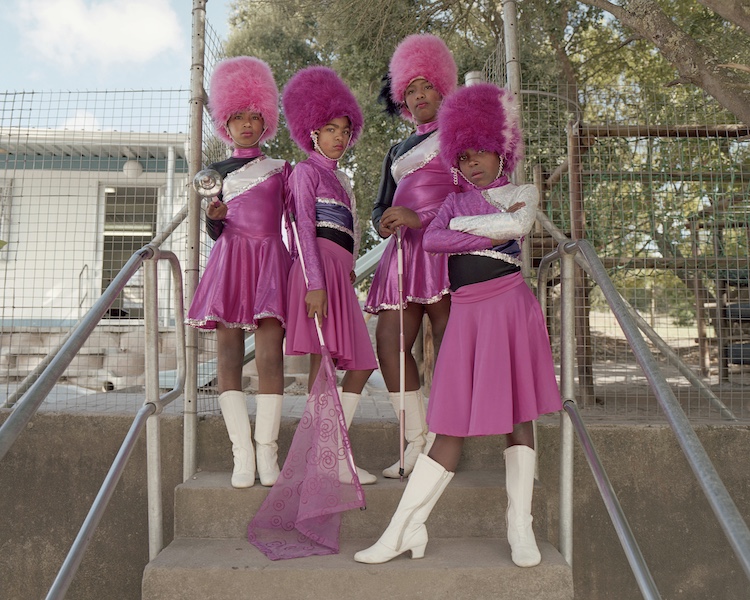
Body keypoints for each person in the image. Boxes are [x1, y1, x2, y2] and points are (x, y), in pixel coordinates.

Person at [354, 83, 562, 567]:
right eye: (463, 157)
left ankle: (520, 527)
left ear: (501, 151)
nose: (472, 165)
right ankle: (403, 530)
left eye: (481, 154)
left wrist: (464, 227)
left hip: (509, 307)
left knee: (517, 418)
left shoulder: (522, 191)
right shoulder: (451, 202)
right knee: (448, 425)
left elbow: (517, 226)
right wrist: (477, 223)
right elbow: (433, 243)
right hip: (466, 314)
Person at [186, 57, 292, 489]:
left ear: (265, 120)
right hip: (230, 260)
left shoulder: (282, 169)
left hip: (270, 260)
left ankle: (268, 452)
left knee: (270, 356)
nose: (246, 124)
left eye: (254, 116)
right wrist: (214, 218)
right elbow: (216, 230)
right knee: (228, 355)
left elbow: (295, 221)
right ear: (224, 124)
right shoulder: (213, 175)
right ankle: (241, 454)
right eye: (237, 117)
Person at [364, 34, 461, 478]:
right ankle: (414, 442)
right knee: (388, 344)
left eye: (426, 86)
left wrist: (423, 217)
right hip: (401, 255)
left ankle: (445, 444)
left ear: (443, 87)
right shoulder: (396, 150)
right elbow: (381, 205)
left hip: (443, 247)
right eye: (410, 91)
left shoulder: (462, 134)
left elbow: (477, 193)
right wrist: (383, 221)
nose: (419, 96)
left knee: (449, 346)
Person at [282, 66, 378, 485]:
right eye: (329, 128)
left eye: (345, 129)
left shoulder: (342, 180)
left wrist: (350, 265)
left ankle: (331, 451)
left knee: (360, 363)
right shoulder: (305, 172)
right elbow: (303, 228)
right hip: (316, 274)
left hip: (340, 275)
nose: (339, 136)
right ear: (312, 133)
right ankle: (329, 458)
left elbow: (349, 228)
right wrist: (316, 285)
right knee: (322, 367)